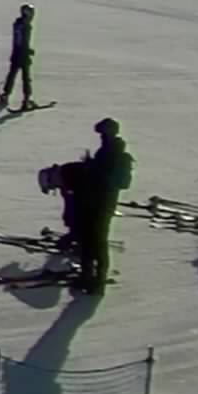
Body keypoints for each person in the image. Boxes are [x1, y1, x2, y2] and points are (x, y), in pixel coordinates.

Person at [52, 118, 133, 292]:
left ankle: (95, 281)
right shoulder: (107, 151)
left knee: (95, 242)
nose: (102, 137)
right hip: (96, 202)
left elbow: (109, 179)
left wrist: (92, 170)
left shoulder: (114, 154)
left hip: (100, 204)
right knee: (92, 241)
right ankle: (89, 277)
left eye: (103, 133)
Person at [0, 5, 38, 113]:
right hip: (22, 55)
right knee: (26, 78)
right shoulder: (25, 26)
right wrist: (27, 51)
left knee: (12, 75)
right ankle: (26, 100)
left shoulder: (18, 24)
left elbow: (18, 40)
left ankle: (6, 95)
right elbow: (23, 41)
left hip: (16, 53)